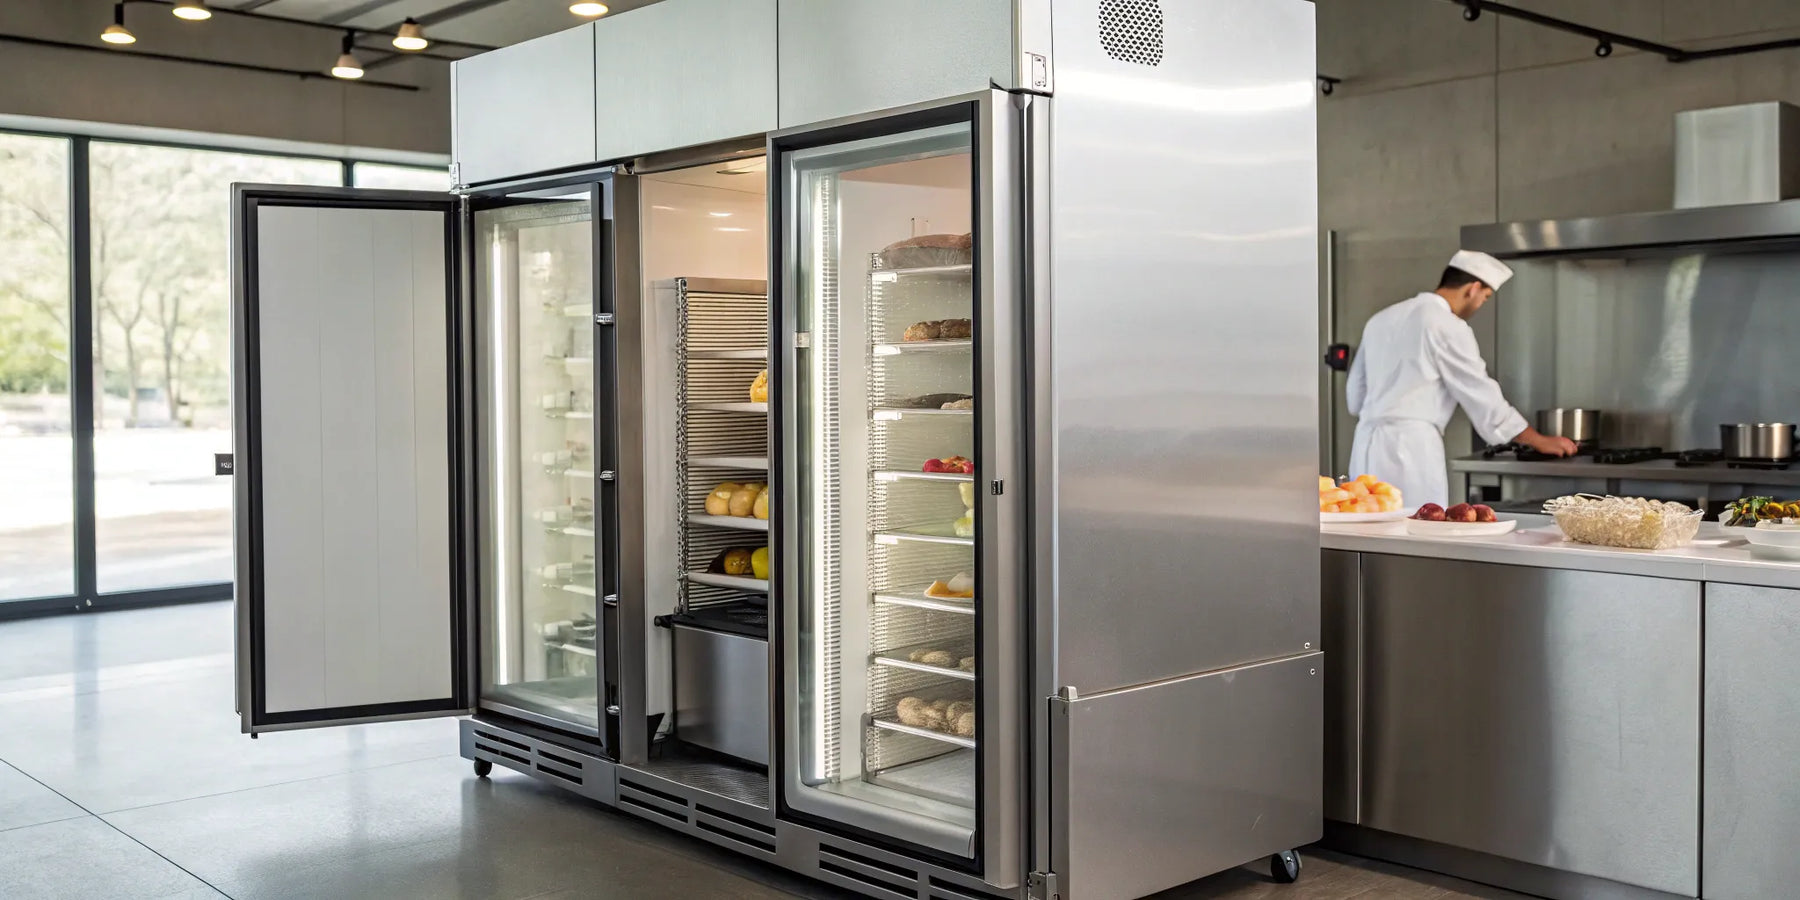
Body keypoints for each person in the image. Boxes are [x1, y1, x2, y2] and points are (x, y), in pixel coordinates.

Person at [1346, 250, 1576, 508]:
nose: (1480, 304)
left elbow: (1355, 399)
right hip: (1410, 449)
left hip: (1365, 446)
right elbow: (1482, 396)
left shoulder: (1379, 319)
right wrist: (1538, 440)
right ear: (1473, 288)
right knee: (1418, 533)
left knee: (1366, 528)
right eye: (1485, 297)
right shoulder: (1445, 324)